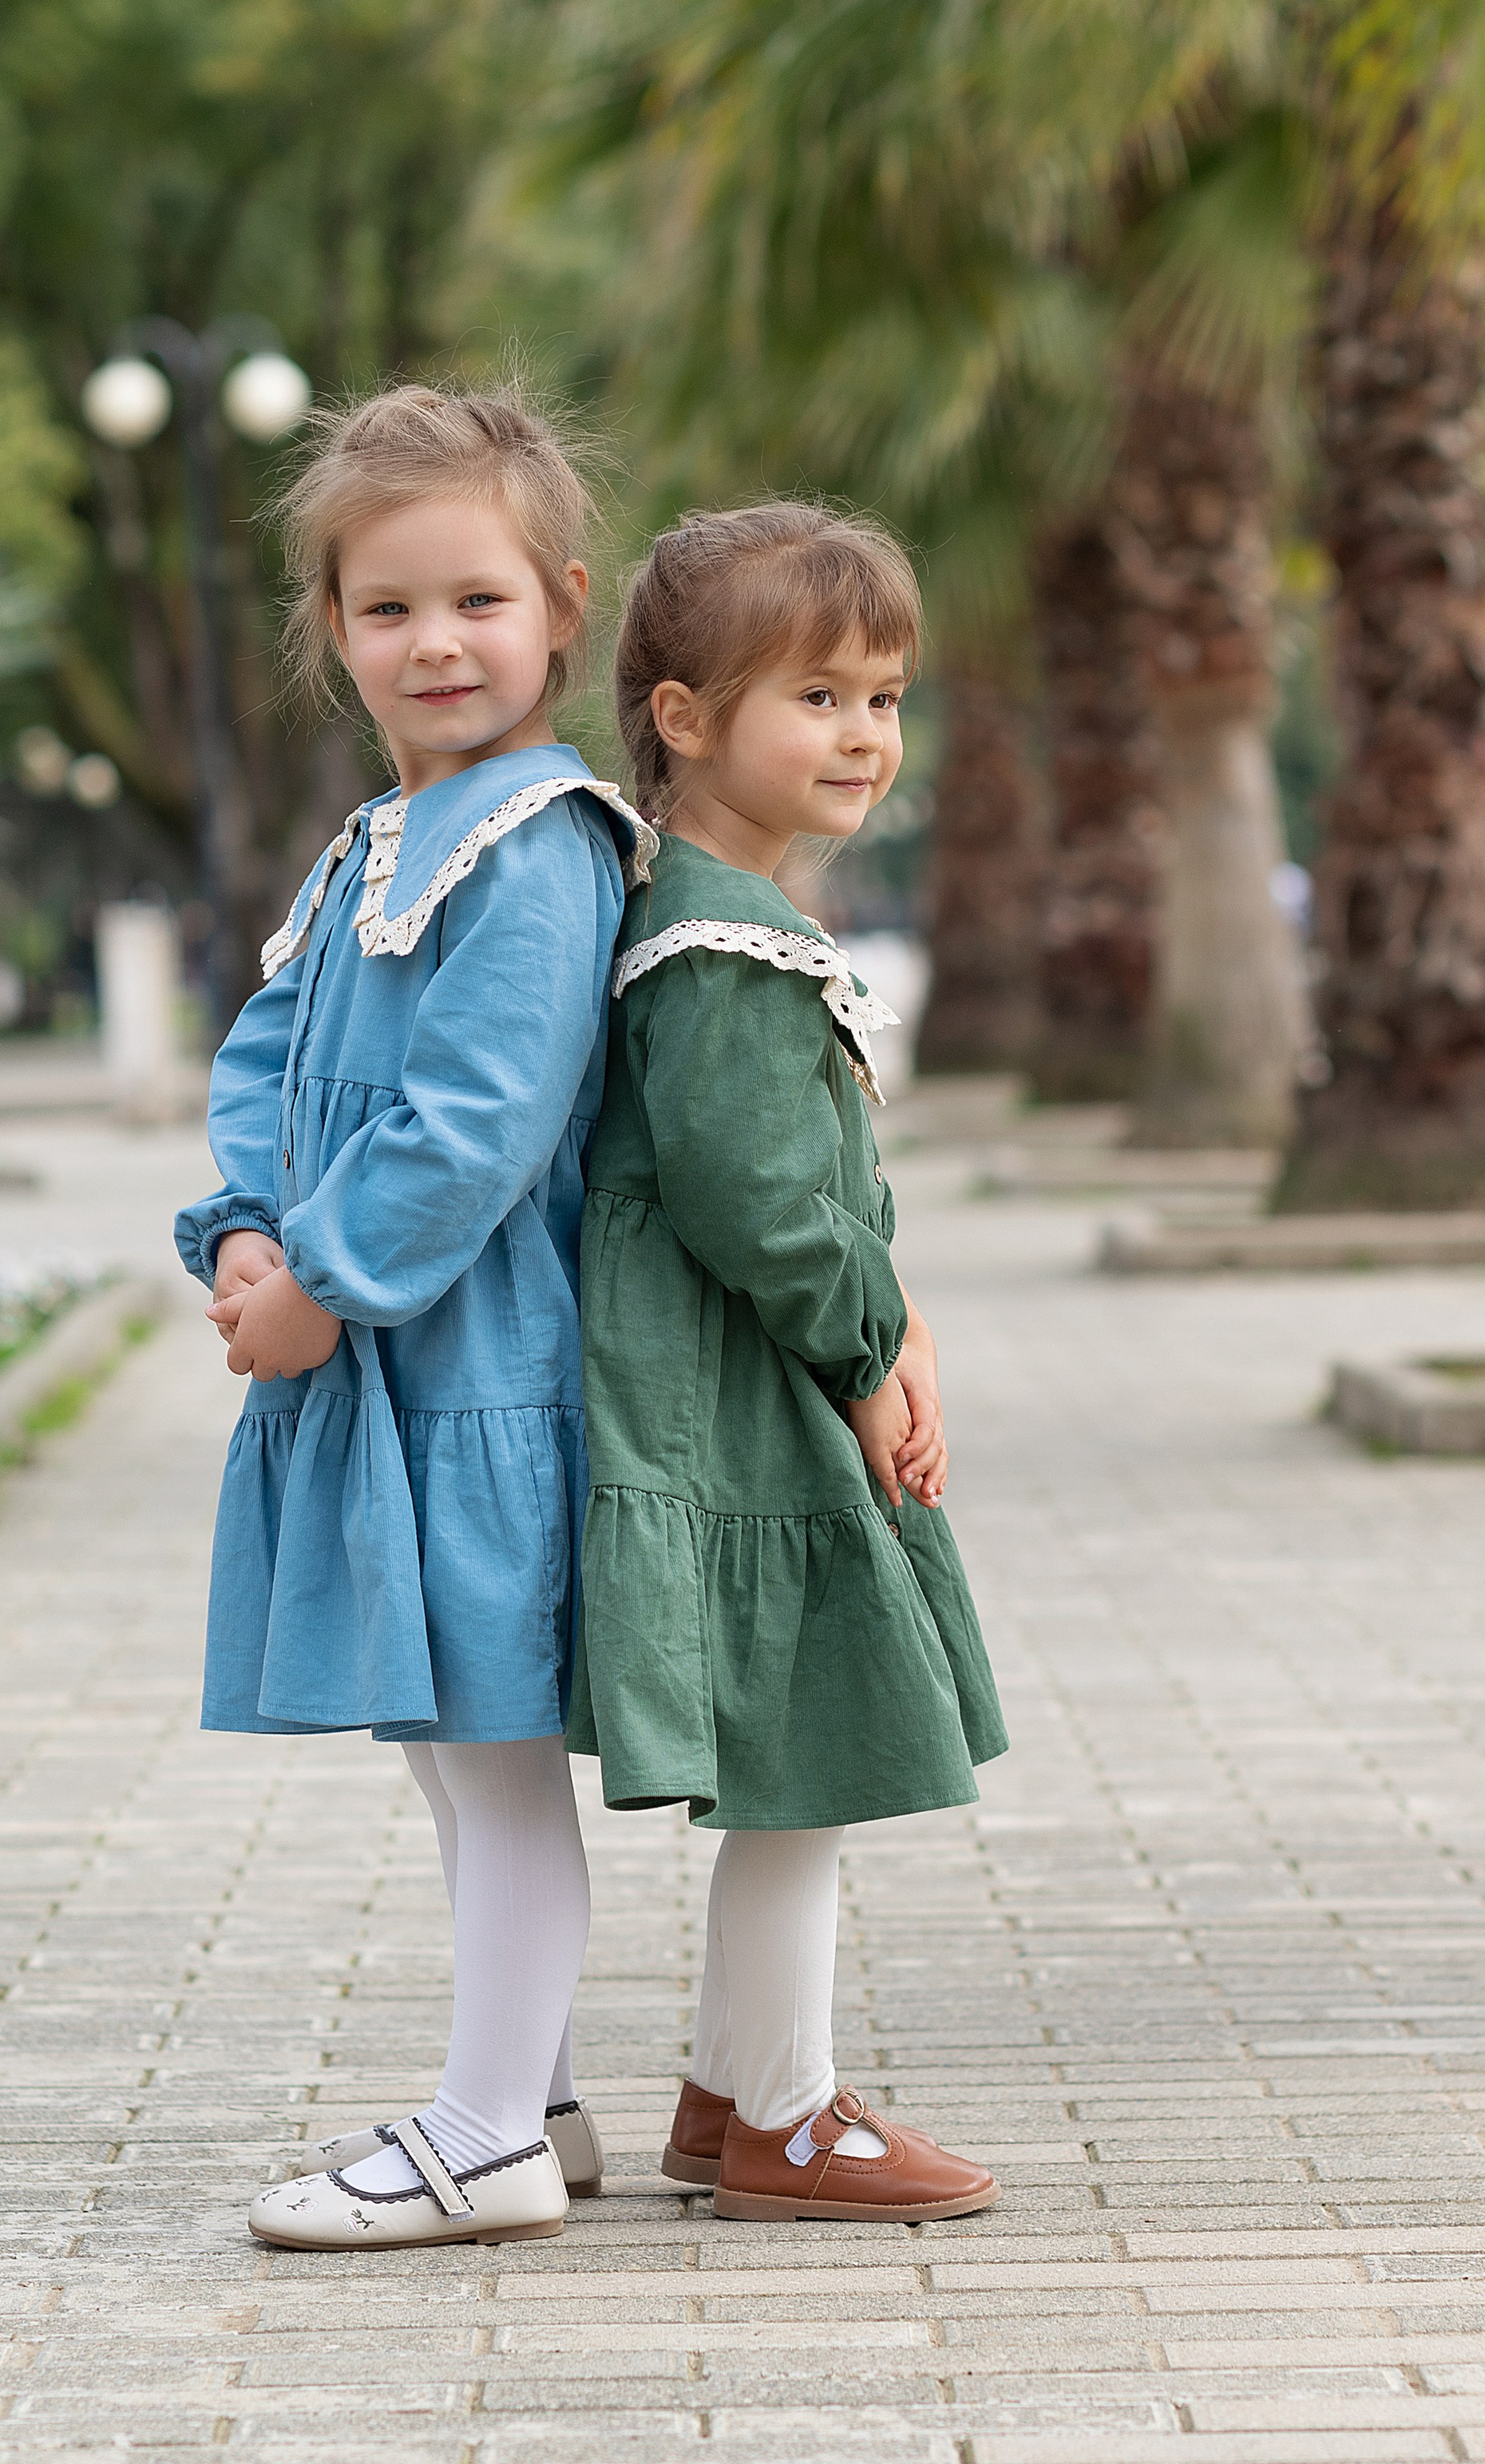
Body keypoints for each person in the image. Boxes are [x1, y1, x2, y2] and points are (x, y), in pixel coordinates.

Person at [173, 384, 654, 2254]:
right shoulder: (375, 837)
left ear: (559, 605)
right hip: (367, 1363)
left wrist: (333, 1278)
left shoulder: (534, 840)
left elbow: (478, 1115)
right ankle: (528, 2094)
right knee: (449, 1759)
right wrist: (236, 1238)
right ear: (333, 630)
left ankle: (484, 2133)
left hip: (477, 1373)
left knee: (494, 1748)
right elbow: (266, 1051)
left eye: (474, 600)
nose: (432, 642)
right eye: (385, 609)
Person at [572, 500, 1009, 2222]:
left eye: (882, 697)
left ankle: (723, 2087)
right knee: (801, 1749)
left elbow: (796, 1190)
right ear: (682, 716)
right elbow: (750, 1193)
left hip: (760, 1382)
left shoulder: (721, 908)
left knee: (793, 1747)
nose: (862, 735)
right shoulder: (718, 939)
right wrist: (860, 1353)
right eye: (814, 696)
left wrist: (884, 1327)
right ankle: (785, 2110)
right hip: (738, 1400)